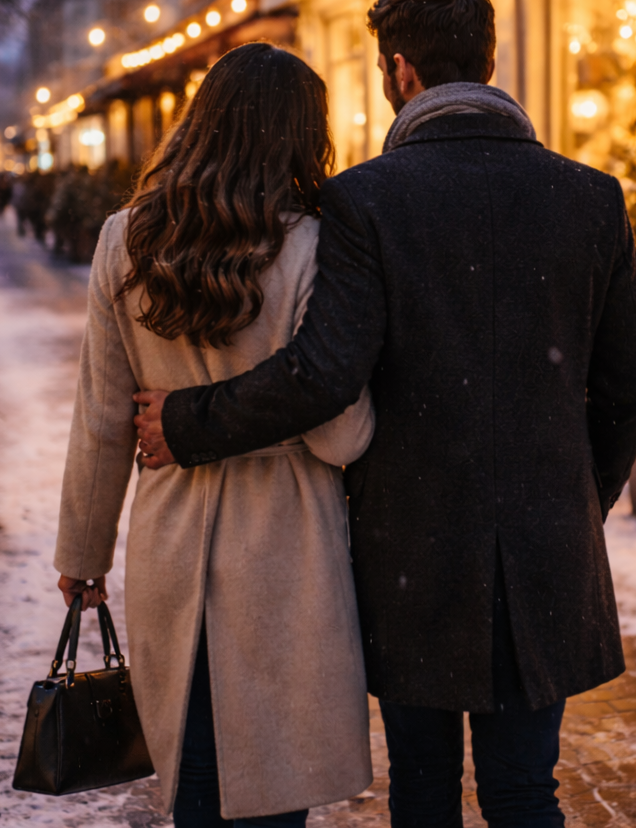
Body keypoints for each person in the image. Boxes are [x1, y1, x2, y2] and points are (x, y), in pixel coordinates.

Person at [135, 0, 636, 828]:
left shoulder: (366, 199)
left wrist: (187, 421)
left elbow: (324, 373)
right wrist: (572, 499)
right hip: (547, 548)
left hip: (413, 547)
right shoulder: (589, 196)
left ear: (401, 70)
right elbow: (627, 390)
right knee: (528, 789)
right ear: (488, 63)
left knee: (422, 787)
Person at [53, 43, 375, 827]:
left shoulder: (124, 240)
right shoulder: (310, 244)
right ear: (302, 135)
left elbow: (101, 418)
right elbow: (339, 436)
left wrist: (81, 557)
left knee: (194, 778)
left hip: (171, 533)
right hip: (286, 547)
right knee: (271, 781)